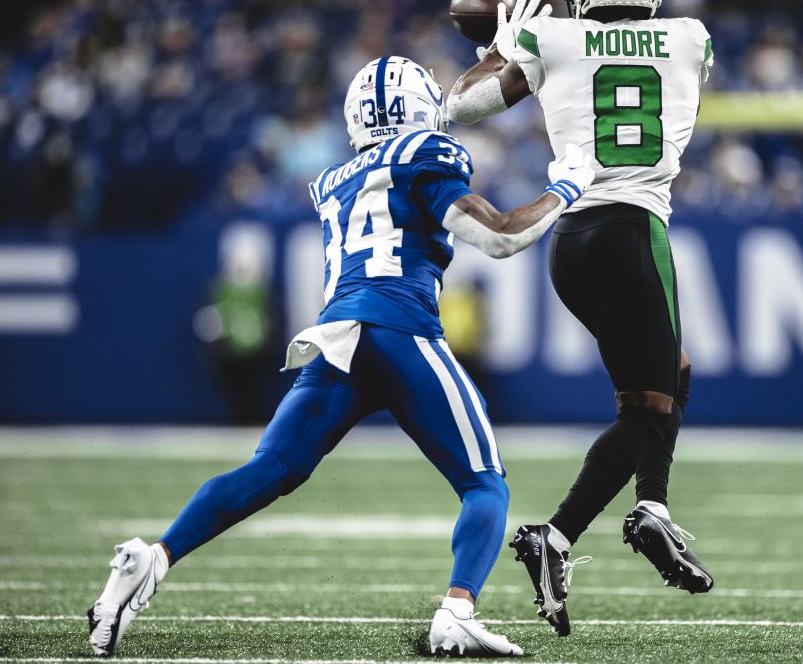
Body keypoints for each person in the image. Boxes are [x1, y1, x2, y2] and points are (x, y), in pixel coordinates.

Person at [86, 56, 596, 658]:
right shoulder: (429, 155)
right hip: (401, 325)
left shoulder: (338, 177)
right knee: (484, 482)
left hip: (339, 335)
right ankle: (457, 612)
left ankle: (152, 559)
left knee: (271, 469)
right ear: (419, 108)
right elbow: (503, 235)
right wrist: (567, 185)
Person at [446, 0, 715, 637]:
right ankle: (560, 536)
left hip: (570, 241)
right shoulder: (690, 39)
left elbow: (461, 106)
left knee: (663, 382)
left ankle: (648, 509)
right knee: (654, 407)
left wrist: (502, 47)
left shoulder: (550, 36)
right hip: (634, 231)